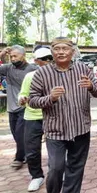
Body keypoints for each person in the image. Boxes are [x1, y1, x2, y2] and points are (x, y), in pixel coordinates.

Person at [29, 37, 97, 193]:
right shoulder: (42, 73)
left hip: (80, 127)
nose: (61, 52)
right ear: (52, 52)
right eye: (56, 48)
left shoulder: (83, 69)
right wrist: (50, 98)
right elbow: (32, 100)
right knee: (56, 168)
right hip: (55, 130)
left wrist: (91, 87)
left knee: (76, 168)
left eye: (65, 48)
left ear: (72, 51)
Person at [18, 46, 52, 191]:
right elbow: (22, 94)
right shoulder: (29, 76)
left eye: (50, 59)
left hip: (52, 116)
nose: (48, 62)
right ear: (36, 61)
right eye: (44, 59)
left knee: (56, 149)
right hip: (32, 116)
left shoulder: (57, 75)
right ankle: (37, 176)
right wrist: (22, 99)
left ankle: (56, 173)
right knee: (31, 150)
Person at [0, 45, 37, 170]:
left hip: (25, 107)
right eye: (11, 56)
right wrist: (1, 54)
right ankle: (27, 154)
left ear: (23, 55)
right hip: (11, 108)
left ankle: (19, 158)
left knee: (20, 133)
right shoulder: (7, 68)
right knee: (16, 134)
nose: (13, 59)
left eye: (15, 56)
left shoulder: (32, 69)